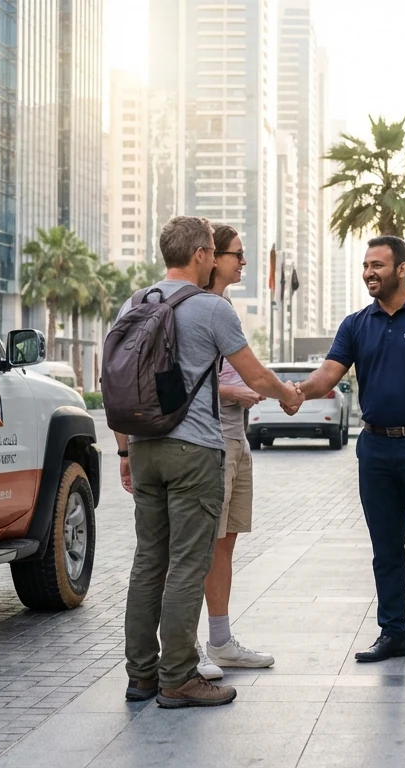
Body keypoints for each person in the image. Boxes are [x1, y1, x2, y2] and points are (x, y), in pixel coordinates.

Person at [115, 216, 301, 709]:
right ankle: (178, 678)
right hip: (194, 451)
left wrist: (123, 451)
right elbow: (255, 376)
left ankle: (141, 677)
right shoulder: (210, 309)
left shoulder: (134, 303)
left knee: (147, 562)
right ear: (201, 254)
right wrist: (287, 395)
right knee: (186, 564)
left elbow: (116, 380)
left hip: (144, 446)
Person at [287, 235, 405, 668]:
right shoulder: (356, 323)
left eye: (378, 265)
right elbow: (329, 373)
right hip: (375, 449)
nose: (369, 272)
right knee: (385, 547)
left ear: (401, 269)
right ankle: (393, 632)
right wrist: (296, 391)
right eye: (366, 265)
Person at [188, 224, 274, 680]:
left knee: (226, 542)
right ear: (212, 257)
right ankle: (189, 647)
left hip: (235, 438)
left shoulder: (224, 306)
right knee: (197, 546)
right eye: (238, 254)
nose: (243, 263)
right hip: (209, 440)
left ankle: (220, 641)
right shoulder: (198, 307)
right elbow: (188, 381)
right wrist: (242, 393)